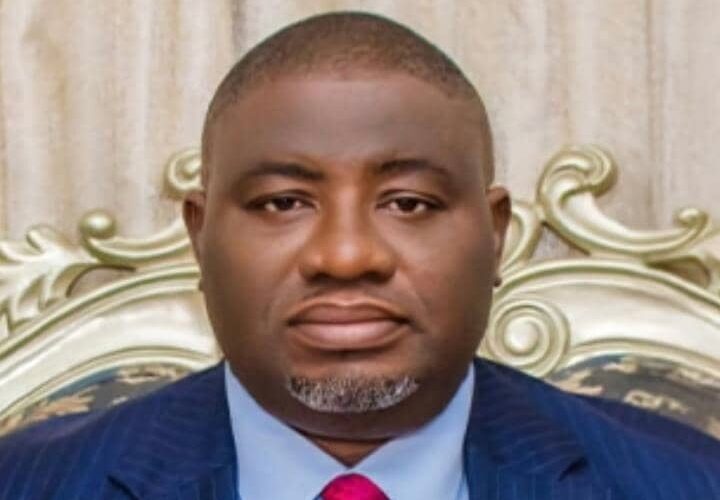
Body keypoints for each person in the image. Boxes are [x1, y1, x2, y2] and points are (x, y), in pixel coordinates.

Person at [0, 11, 719, 500]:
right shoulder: (32, 483)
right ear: (199, 235)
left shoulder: (684, 482)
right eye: (282, 202)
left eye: (409, 203)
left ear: (495, 234)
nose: (346, 256)